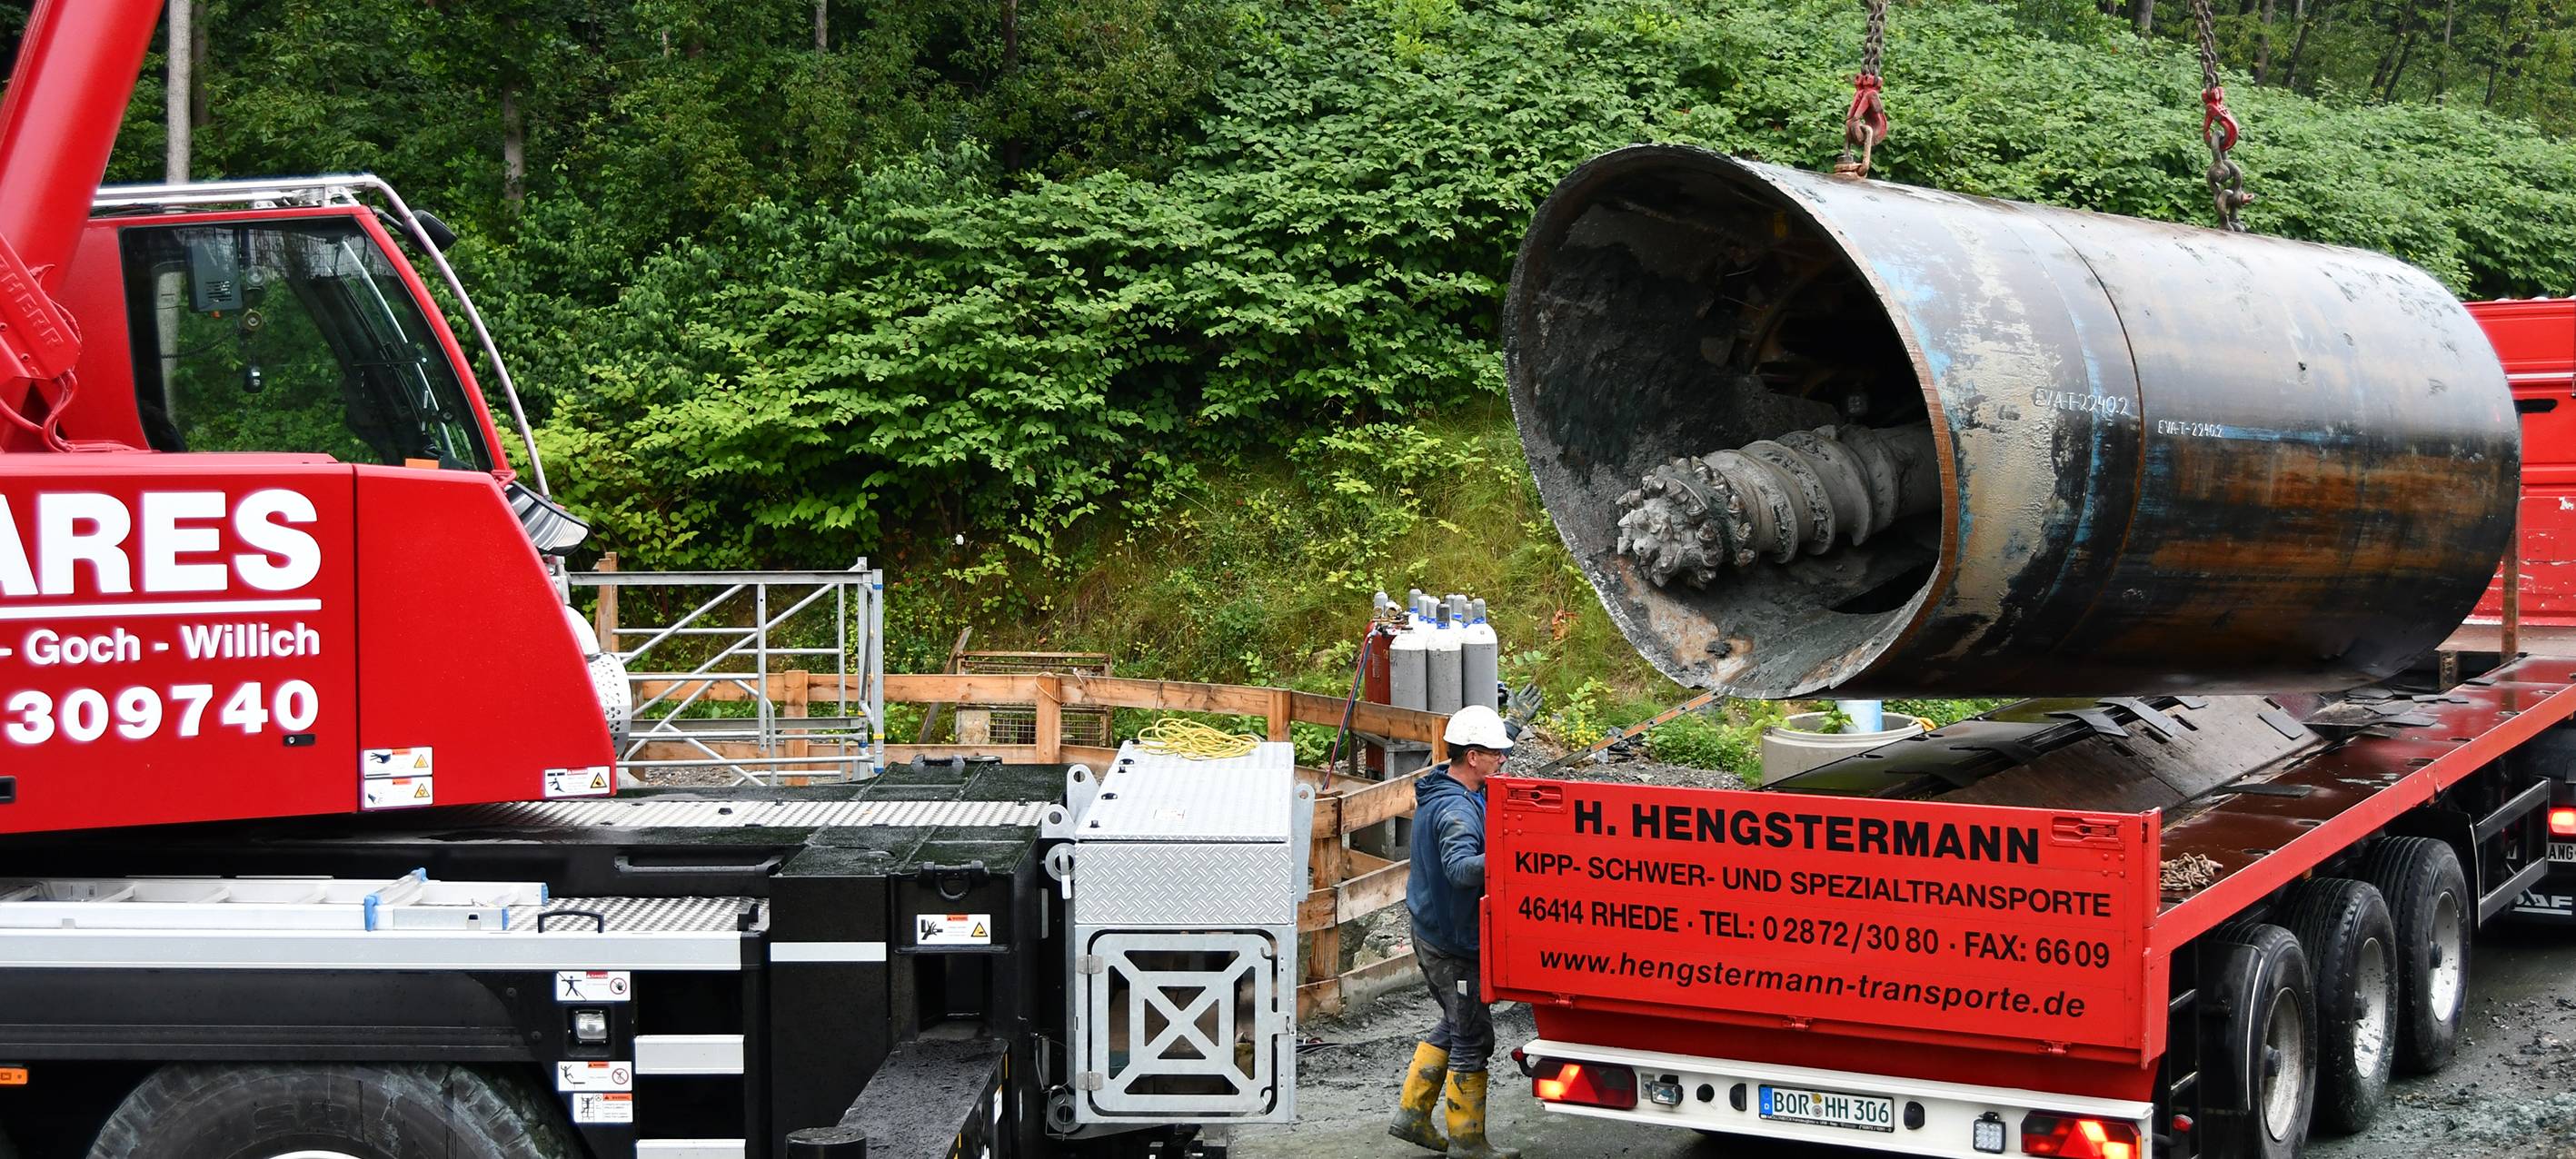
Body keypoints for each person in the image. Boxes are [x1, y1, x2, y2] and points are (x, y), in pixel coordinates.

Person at [1387, 704, 1519, 1159]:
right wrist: (1512, 855)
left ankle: (1412, 1116)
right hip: (1451, 942)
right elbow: (1462, 869)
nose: (1504, 759)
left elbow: (1483, 761)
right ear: (1473, 757)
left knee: (1456, 1018)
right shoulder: (1455, 813)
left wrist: (1510, 726)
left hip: (1437, 929)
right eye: (1496, 753)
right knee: (1472, 1036)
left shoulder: (1456, 782)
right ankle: (1467, 1142)